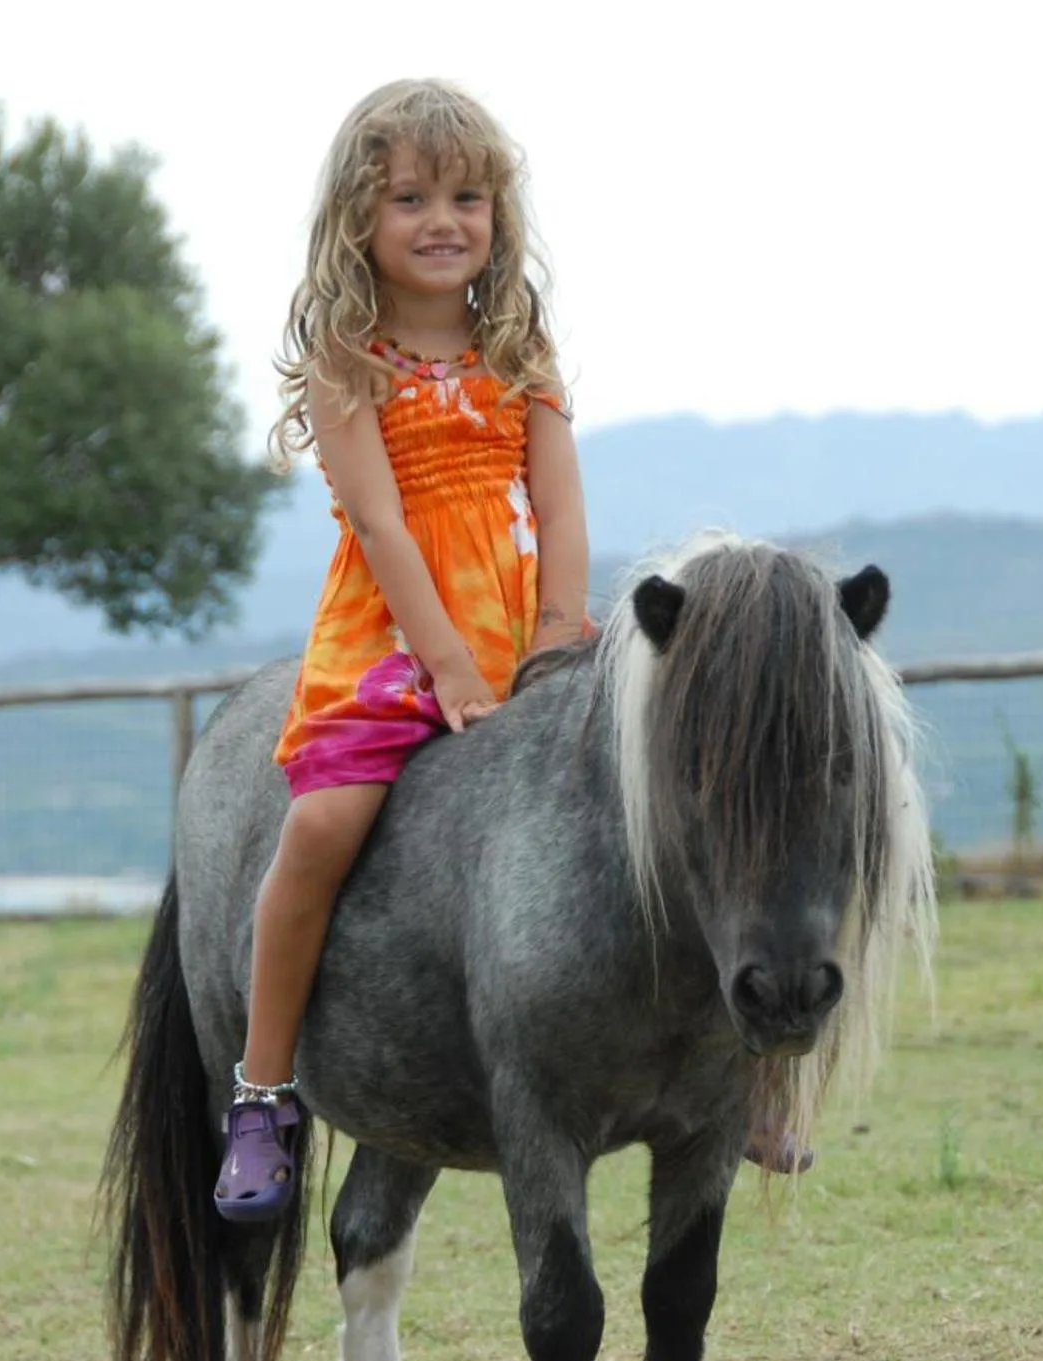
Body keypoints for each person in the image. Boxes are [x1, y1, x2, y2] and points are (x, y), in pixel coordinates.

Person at [216, 79, 803, 1223]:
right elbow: (382, 527)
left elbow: (564, 508)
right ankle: (265, 1087)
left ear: (499, 213)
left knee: (697, 800)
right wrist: (444, 667)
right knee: (321, 827)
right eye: (411, 197)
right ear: (358, 220)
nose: (445, 219)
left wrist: (552, 634)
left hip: (530, 633)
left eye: (468, 196)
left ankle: (751, 1069)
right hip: (393, 638)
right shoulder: (351, 362)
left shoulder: (520, 351)